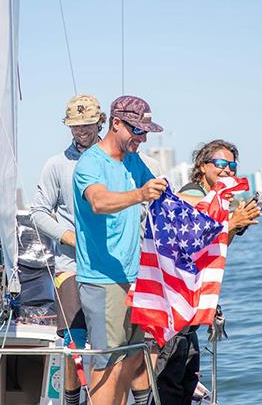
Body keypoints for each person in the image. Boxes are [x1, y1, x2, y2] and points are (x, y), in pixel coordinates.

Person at [73, 95, 168, 405]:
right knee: (105, 366)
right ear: (116, 123)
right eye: (137, 131)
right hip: (102, 281)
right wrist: (141, 193)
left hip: (134, 277)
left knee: (128, 360)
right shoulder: (90, 163)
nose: (142, 139)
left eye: (145, 133)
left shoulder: (132, 160)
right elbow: (99, 202)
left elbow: (165, 198)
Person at [153, 139, 261, 404]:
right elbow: (192, 243)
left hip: (191, 306)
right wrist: (232, 222)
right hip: (175, 302)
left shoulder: (215, 200)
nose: (227, 170)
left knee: (187, 380)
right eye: (221, 164)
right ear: (202, 166)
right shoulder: (192, 196)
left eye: (232, 166)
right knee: (170, 383)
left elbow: (214, 248)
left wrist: (233, 226)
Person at [29, 94, 106, 405]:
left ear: (100, 122)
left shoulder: (114, 159)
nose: (81, 130)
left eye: (87, 124)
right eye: (75, 125)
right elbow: (38, 212)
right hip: (70, 266)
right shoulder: (56, 165)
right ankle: (72, 400)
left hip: (111, 266)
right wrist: (67, 236)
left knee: (111, 341)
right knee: (74, 340)